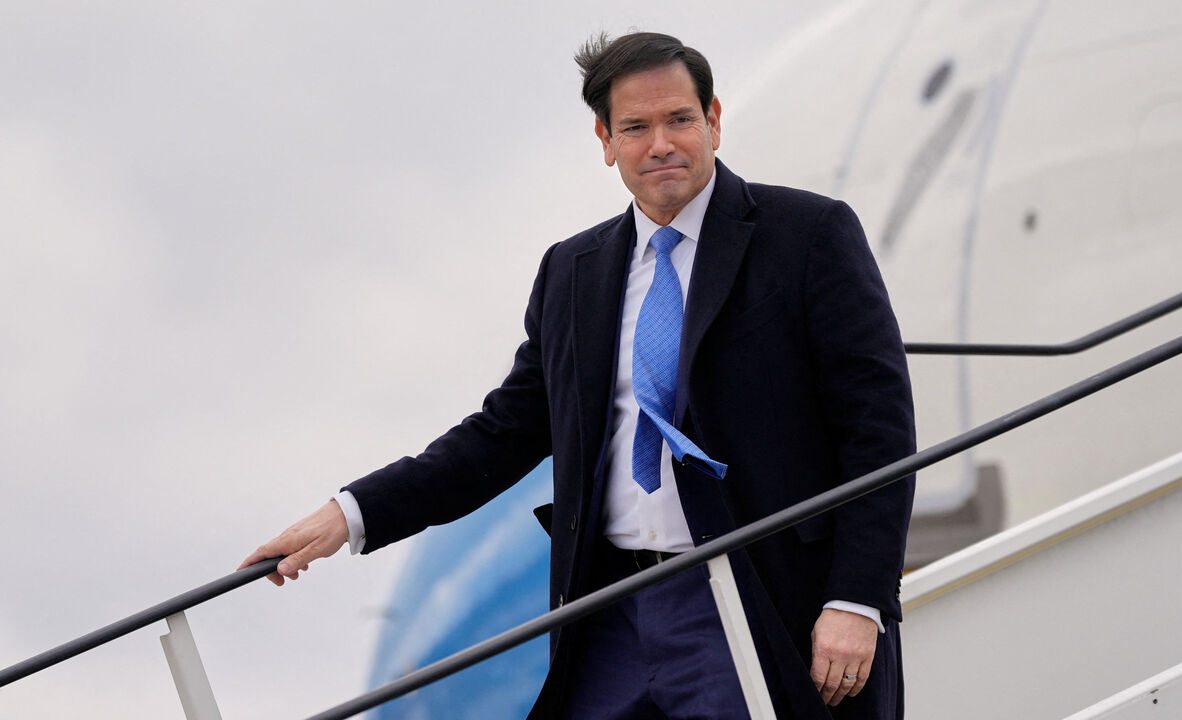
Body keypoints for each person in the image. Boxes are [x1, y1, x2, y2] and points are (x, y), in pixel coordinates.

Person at [241, 31, 915, 720]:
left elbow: (878, 426)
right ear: (605, 138)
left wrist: (857, 597)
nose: (661, 144)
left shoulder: (806, 234)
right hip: (610, 613)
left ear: (713, 119)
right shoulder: (573, 272)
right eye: (636, 127)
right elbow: (502, 433)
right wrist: (348, 514)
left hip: (749, 593)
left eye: (680, 120)